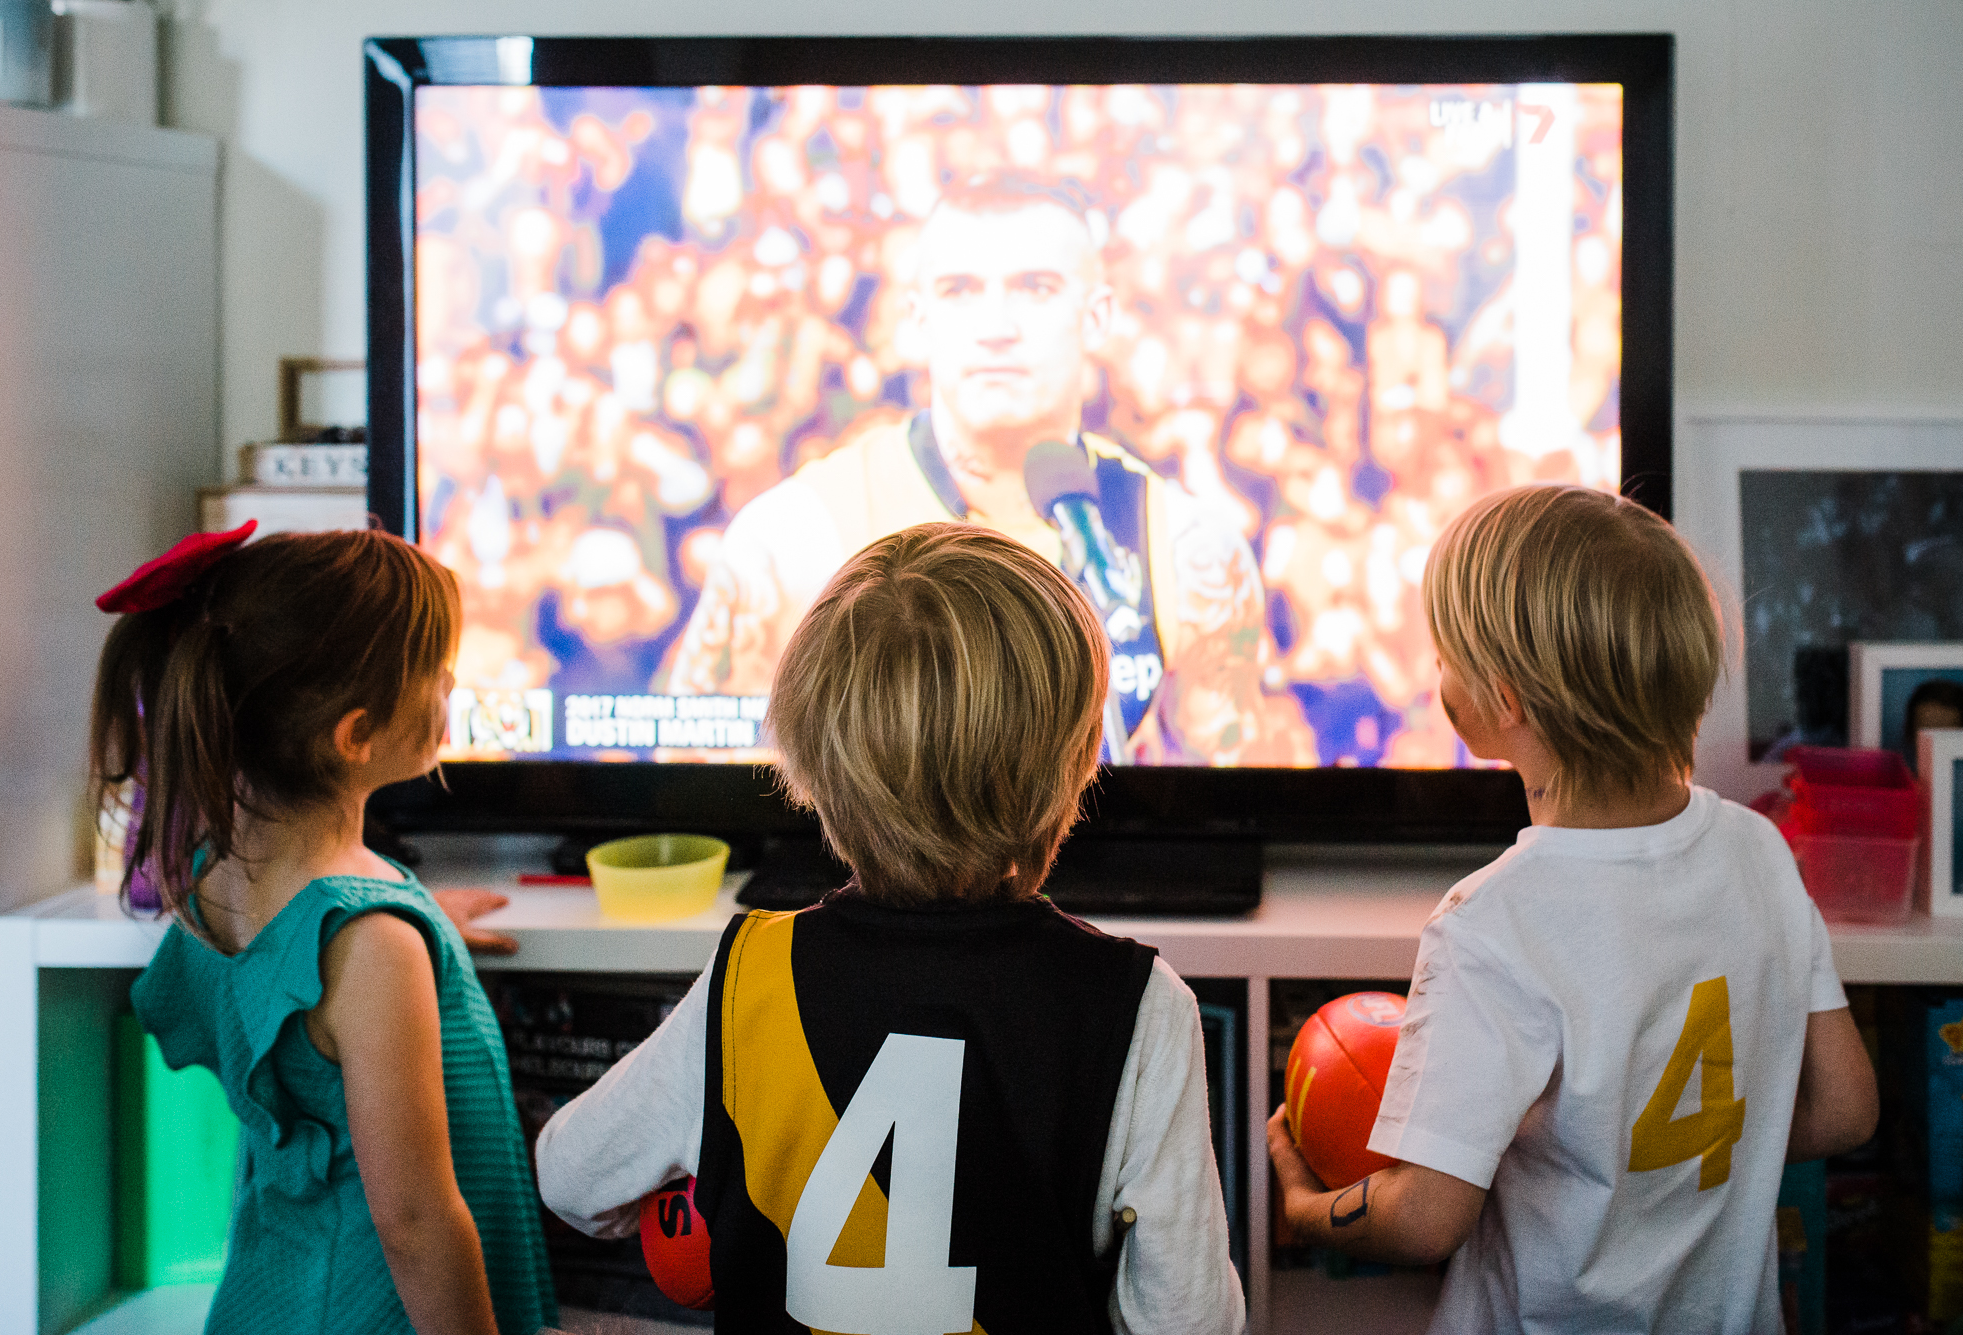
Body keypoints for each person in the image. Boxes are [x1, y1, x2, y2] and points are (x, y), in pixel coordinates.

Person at [538, 522, 1244, 1334]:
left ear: (811, 765)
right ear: (1079, 763)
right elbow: (1190, 1320)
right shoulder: (1140, 1006)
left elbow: (570, 1176)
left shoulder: (748, 975)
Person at [1264, 485, 1880, 1332]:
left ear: (1504, 700)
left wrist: (1302, 1206)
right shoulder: (1760, 851)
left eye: (1445, 654)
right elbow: (1845, 1107)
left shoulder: (1490, 923)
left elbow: (1427, 1216)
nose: (1437, 675)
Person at [663, 172, 1312, 766]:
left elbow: (1219, 805)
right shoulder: (792, 539)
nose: (997, 327)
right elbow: (699, 788)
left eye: (1035, 288)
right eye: (961, 290)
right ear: (916, 320)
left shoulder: (1187, 552)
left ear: (1096, 317)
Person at [91, 524, 556, 1335]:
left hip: (274, 1292)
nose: (451, 684)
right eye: (434, 673)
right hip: (375, 1311)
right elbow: (415, 1223)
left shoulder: (217, 875)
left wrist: (419, 920)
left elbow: (289, 983)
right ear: (356, 735)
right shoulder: (371, 945)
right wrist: (392, 935)